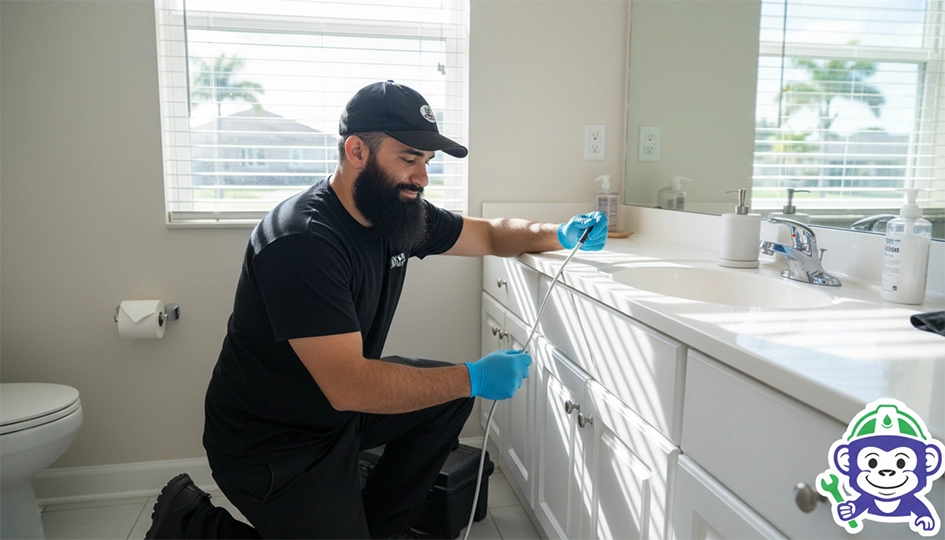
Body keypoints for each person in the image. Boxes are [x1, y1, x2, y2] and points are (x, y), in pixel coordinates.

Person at [144, 80, 608, 540]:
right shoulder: (302, 241)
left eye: (427, 162)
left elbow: (487, 234)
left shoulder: (394, 212)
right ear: (357, 151)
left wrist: (559, 233)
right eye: (408, 158)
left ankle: (383, 528)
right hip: (273, 444)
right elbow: (349, 385)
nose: (422, 177)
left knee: (449, 398)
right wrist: (474, 376)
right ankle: (190, 523)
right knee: (460, 383)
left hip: (336, 414)